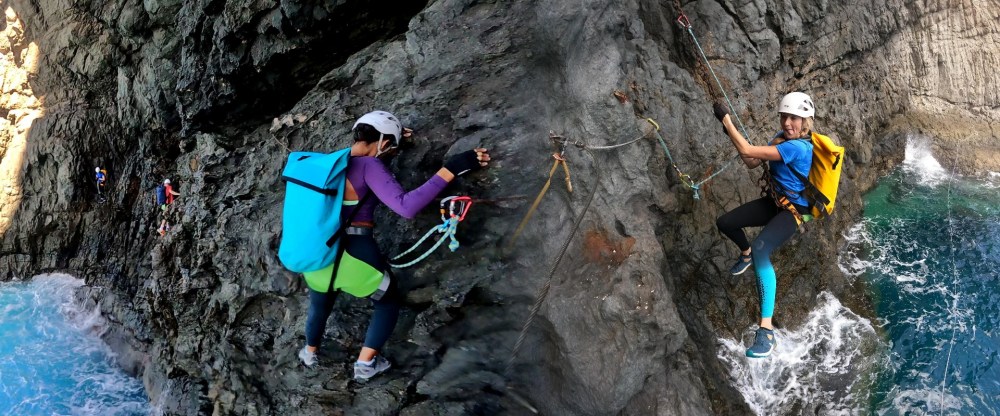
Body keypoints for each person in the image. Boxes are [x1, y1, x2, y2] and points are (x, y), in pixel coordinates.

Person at [297, 110, 490, 381]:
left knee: (320, 304)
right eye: (390, 146)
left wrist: (394, 143)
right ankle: (365, 364)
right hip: (354, 253)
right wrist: (453, 167)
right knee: (387, 301)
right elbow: (406, 207)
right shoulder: (369, 166)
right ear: (385, 142)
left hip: (316, 254)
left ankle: (309, 352)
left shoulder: (331, 163)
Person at [713, 92, 817, 358]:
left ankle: (766, 330)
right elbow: (750, 161)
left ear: (806, 121)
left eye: (794, 118)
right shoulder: (780, 139)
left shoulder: (798, 147)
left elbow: (748, 150)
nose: (787, 122)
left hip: (792, 212)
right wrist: (730, 132)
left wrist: (727, 123)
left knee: (762, 249)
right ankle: (745, 254)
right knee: (725, 223)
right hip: (774, 202)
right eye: (784, 117)